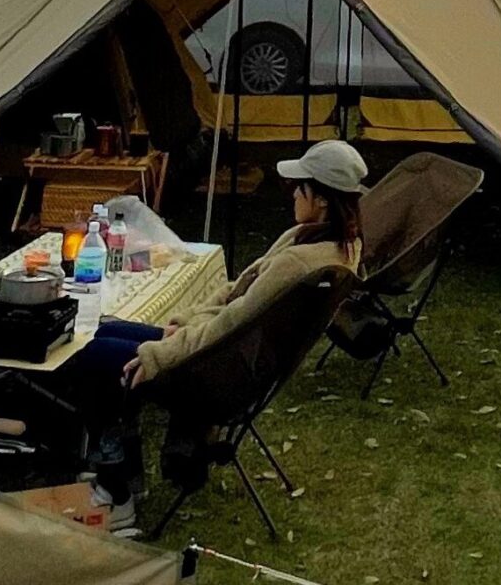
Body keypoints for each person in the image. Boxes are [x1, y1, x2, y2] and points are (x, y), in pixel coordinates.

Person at [69, 139, 368, 501]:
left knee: (92, 354)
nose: (291, 195)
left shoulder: (301, 261)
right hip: (236, 360)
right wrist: (185, 323)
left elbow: (234, 323)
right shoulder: (334, 245)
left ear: (321, 198)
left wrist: (162, 353)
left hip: (217, 372)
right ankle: (127, 472)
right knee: (107, 329)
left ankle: (115, 488)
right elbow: (235, 296)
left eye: (297, 187)